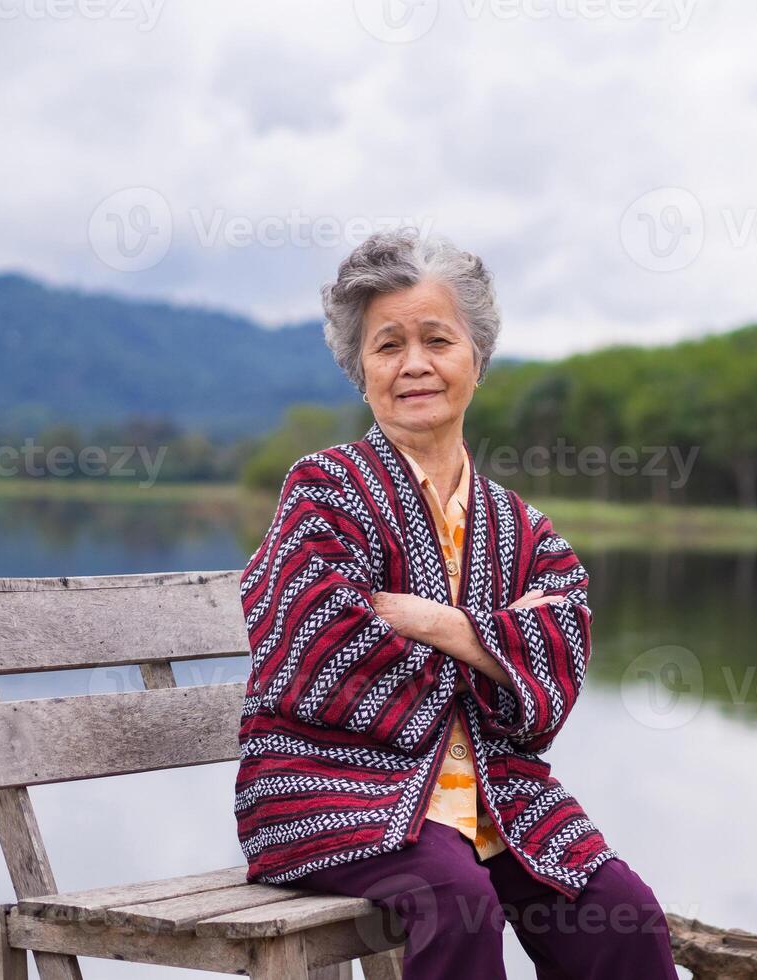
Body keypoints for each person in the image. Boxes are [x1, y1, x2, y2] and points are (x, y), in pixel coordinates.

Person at [234, 227, 678, 979]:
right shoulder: (324, 489)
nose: (414, 365)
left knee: (623, 918)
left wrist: (436, 623)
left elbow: (563, 650)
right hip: (330, 790)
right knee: (458, 900)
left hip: (498, 795)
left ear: (475, 360)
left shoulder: (516, 524)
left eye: (436, 340)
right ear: (360, 368)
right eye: (386, 346)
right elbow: (325, 653)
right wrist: (502, 646)